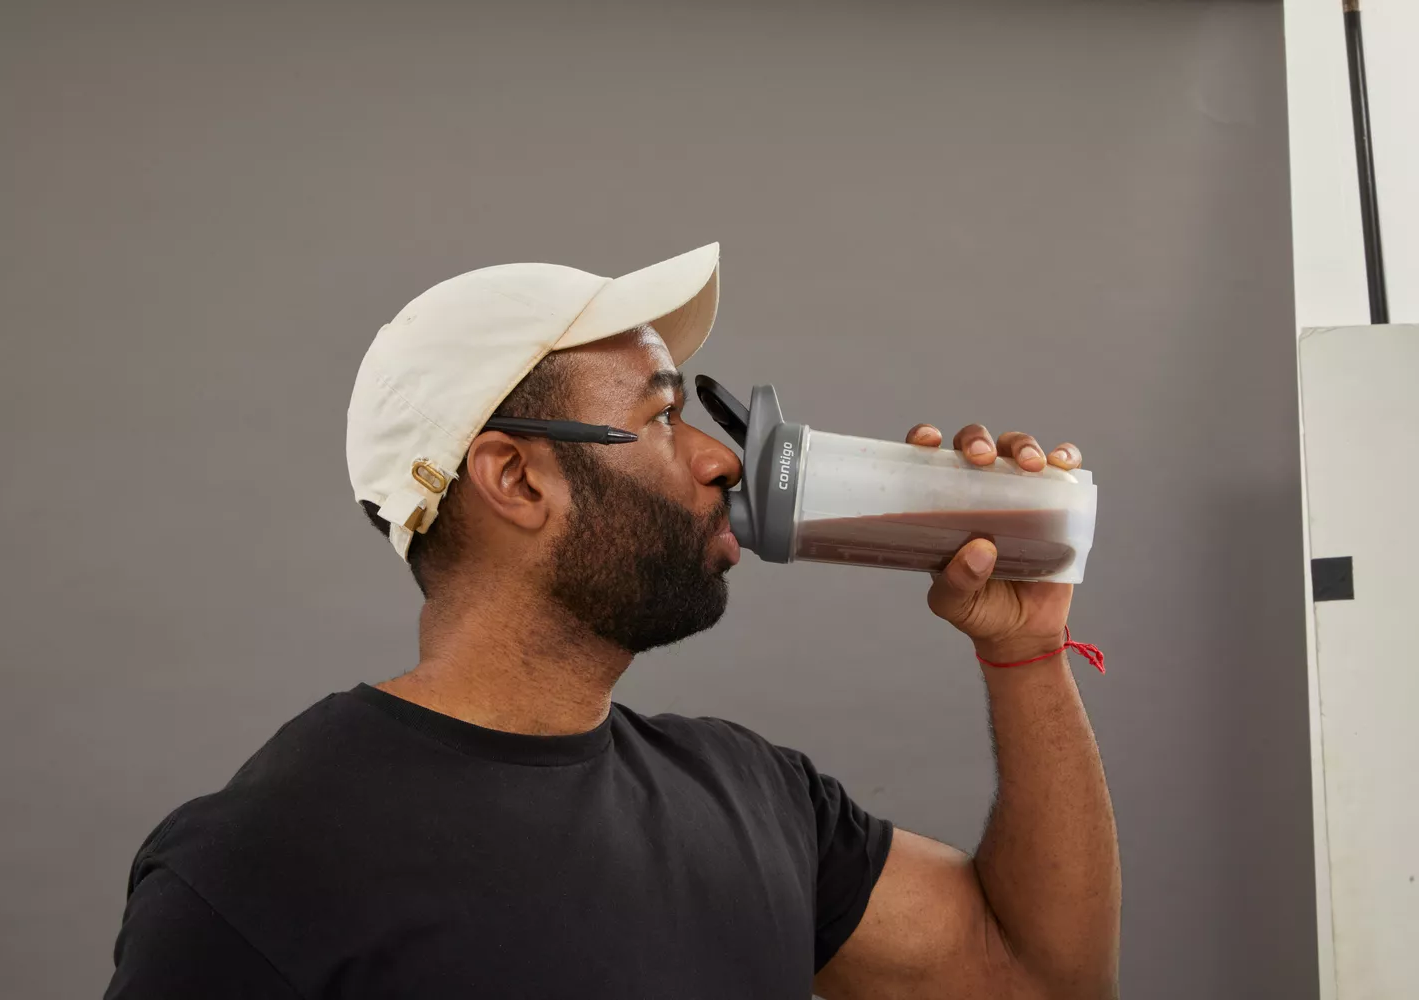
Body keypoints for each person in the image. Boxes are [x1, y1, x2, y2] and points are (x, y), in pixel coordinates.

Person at [104, 243, 1120, 999]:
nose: (720, 461)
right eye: (661, 417)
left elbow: (1033, 978)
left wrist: (1024, 646)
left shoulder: (755, 797)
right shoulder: (263, 863)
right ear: (516, 477)